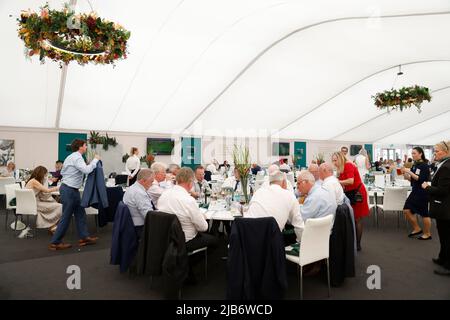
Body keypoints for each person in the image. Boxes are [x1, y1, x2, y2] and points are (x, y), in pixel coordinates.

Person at [49, 139, 100, 251]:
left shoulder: (71, 157)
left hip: (71, 189)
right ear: (80, 147)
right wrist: (95, 160)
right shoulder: (77, 157)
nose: (86, 147)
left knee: (80, 213)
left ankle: (84, 237)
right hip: (69, 190)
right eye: (85, 145)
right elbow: (86, 170)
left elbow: (63, 173)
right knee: (66, 216)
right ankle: (55, 242)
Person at [158, 167, 218, 252]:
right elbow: (203, 227)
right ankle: (192, 262)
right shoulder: (189, 200)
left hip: (165, 238)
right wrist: (202, 216)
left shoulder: (164, 195)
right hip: (185, 241)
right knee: (215, 240)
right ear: (190, 182)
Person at [246, 170, 304, 241]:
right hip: (271, 244)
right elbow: (299, 226)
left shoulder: (258, 192)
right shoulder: (289, 195)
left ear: (270, 183)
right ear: (284, 182)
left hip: (247, 240)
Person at [421, 141, 450, 276]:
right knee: (443, 234)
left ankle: (448, 266)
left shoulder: (446, 166)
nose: (435, 153)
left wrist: (427, 186)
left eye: (437, 151)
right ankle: (442, 258)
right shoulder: (443, 165)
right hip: (443, 207)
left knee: (446, 236)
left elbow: (443, 190)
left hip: (445, 207)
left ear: (446, 152)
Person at [332, 151, 369, 251]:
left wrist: (336, 182)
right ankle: (353, 242)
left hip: (357, 193)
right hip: (350, 192)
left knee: (358, 218)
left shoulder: (348, 165)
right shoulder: (341, 168)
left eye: (335, 160)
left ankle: (357, 244)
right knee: (353, 218)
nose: (334, 163)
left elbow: (350, 181)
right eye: (333, 161)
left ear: (340, 158)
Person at [402, 147, 431, 240]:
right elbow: (413, 179)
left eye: (414, 153)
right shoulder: (416, 164)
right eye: (412, 153)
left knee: (424, 213)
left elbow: (420, 179)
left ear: (420, 153)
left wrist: (409, 171)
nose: (412, 155)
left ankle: (427, 234)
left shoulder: (424, 165)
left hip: (422, 192)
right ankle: (417, 228)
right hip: (415, 191)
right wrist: (405, 174)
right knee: (406, 210)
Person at [25, 166, 61, 234]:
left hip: (32, 202)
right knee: (59, 206)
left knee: (53, 205)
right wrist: (58, 187)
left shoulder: (34, 180)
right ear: (41, 174)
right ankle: (53, 227)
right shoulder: (34, 181)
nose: (46, 176)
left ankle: (52, 227)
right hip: (33, 203)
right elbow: (47, 191)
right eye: (45, 174)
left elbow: (42, 192)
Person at [122, 168, 156, 236]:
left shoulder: (133, 188)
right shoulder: (139, 193)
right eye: (151, 182)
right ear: (143, 181)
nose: (152, 184)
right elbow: (148, 215)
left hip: (131, 223)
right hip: (140, 227)